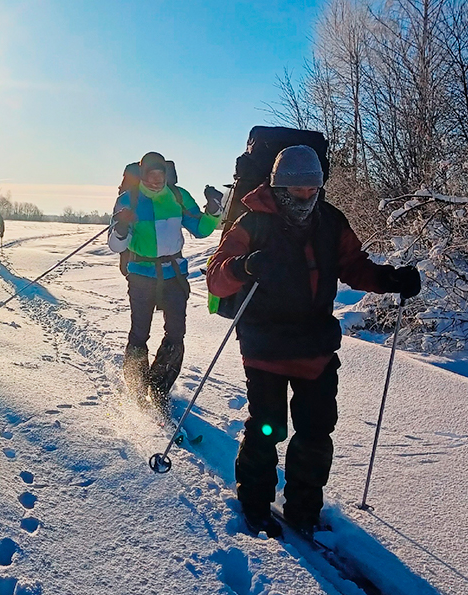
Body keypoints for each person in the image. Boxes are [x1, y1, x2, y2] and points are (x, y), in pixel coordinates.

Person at [205, 145, 421, 537]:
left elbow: (353, 266)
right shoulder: (251, 223)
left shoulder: (330, 221)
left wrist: (390, 280)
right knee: (268, 426)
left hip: (315, 347)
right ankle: (255, 502)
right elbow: (217, 276)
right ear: (279, 186)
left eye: (313, 189)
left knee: (316, 429)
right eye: (297, 189)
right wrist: (245, 264)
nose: (306, 197)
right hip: (265, 346)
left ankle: (304, 508)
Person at [109, 152, 224, 414]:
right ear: (142, 175)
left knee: (176, 333)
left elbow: (201, 229)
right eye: (150, 176)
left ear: (166, 174)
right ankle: (136, 387)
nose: (155, 181)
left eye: (160, 176)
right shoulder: (128, 199)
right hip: (140, 274)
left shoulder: (178, 195)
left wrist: (214, 209)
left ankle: (159, 388)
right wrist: (122, 227)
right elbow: (116, 244)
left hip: (174, 275)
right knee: (140, 333)